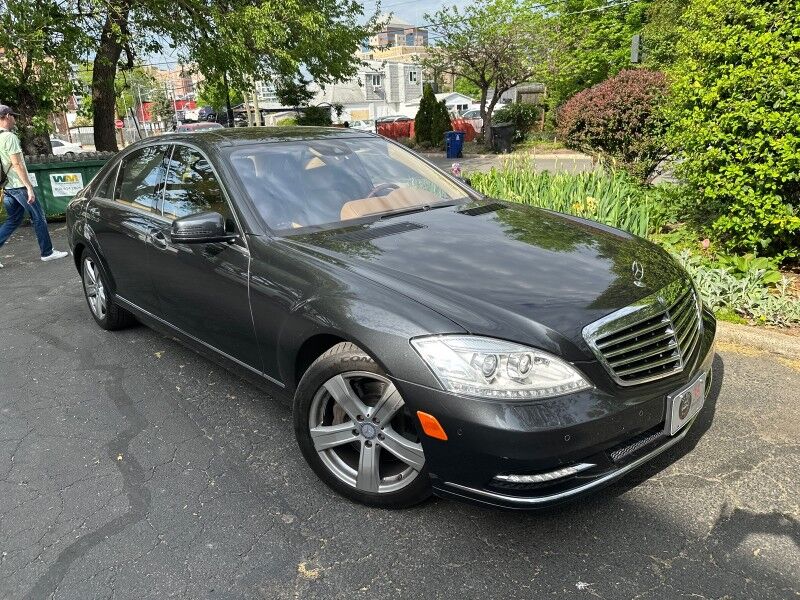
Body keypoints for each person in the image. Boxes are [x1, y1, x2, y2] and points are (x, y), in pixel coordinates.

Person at [0, 105, 68, 268]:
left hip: (7, 186)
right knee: (39, 216)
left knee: (14, 219)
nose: (15, 119)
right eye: (14, 116)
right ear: (7, 116)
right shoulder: (9, 137)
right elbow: (16, 164)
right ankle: (47, 252)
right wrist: (29, 187)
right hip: (18, 185)